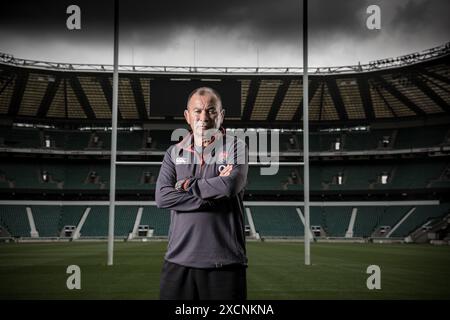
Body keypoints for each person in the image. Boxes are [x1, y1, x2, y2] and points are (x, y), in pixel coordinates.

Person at [155, 87, 248, 300]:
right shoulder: (174, 152)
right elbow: (162, 197)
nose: (203, 117)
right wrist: (211, 197)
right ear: (187, 116)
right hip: (177, 261)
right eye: (197, 111)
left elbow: (229, 187)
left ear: (221, 115)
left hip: (224, 263)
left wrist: (186, 184)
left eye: (211, 111)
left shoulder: (236, 147)